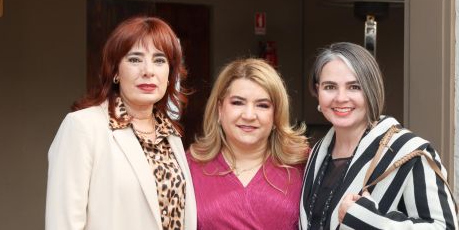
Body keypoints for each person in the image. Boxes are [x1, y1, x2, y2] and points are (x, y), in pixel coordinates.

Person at [46, 16, 196, 230]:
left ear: (170, 74)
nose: (148, 70)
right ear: (115, 71)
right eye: (135, 59)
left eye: (159, 60)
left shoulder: (171, 135)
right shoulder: (83, 127)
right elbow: (63, 224)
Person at [299, 42, 457, 229]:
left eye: (354, 87)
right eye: (330, 87)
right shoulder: (317, 152)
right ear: (317, 91)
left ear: (371, 91)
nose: (341, 98)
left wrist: (368, 221)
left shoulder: (409, 153)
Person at [188, 58, 309, 230]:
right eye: (238, 102)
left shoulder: (305, 165)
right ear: (220, 109)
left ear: (276, 115)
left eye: (262, 105)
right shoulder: (189, 167)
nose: (249, 115)